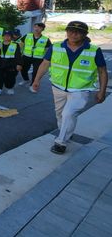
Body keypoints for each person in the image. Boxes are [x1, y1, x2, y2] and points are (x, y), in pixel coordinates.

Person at [32, 21, 107, 154]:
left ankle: (61, 142)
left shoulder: (94, 50)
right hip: (58, 87)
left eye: (78, 32)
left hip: (80, 89)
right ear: (66, 32)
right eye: (71, 30)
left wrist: (102, 91)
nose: (74, 34)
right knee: (60, 114)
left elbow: (102, 71)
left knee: (69, 114)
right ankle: (66, 132)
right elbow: (44, 64)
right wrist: (36, 80)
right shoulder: (56, 47)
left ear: (85, 34)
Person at [19, 22, 52, 88]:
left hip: (38, 58)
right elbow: (21, 44)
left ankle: (32, 84)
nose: (37, 29)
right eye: (35, 27)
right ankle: (26, 79)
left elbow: (48, 49)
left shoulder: (45, 39)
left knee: (36, 72)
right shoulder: (27, 35)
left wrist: (46, 59)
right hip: (26, 56)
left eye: (39, 27)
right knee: (23, 69)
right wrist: (20, 53)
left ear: (42, 29)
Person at [0, 30, 22, 95]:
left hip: (11, 64)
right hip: (0, 63)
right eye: (5, 36)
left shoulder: (15, 45)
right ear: (2, 37)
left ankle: (9, 88)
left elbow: (18, 55)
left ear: (11, 37)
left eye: (8, 36)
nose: (6, 37)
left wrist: (19, 64)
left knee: (10, 77)